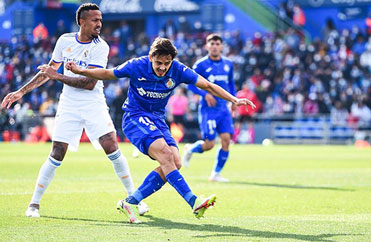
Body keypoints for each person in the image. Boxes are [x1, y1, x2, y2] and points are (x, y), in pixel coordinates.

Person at [62, 37, 255, 223]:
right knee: (165, 153)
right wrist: (80, 70)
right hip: (134, 117)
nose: (163, 68)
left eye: (167, 63)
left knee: (175, 162)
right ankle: (194, 201)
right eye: (159, 63)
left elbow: (207, 85)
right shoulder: (136, 65)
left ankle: (130, 202)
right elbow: (108, 74)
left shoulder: (178, 69)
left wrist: (234, 99)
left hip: (157, 120)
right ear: (150, 57)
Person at [1, 3, 148, 218]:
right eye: (95, 20)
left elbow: (89, 83)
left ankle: (134, 199)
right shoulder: (64, 41)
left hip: (93, 102)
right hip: (68, 104)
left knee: (111, 145)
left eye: (100, 20)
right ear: (82, 21)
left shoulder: (101, 47)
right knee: (57, 152)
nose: (100, 24)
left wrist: (57, 76)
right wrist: (20, 92)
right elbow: (48, 72)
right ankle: (34, 204)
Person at [182, 33, 236, 182]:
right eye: (212, 44)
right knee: (209, 144)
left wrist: (234, 100)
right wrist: (205, 94)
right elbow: (190, 84)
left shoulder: (228, 64)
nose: (215, 46)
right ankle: (190, 149)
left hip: (223, 109)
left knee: (226, 140)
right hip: (208, 110)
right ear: (207, 46)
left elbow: (230, 83)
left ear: (222, 46)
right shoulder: (200, 65)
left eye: (218, 44)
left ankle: (215, 174)